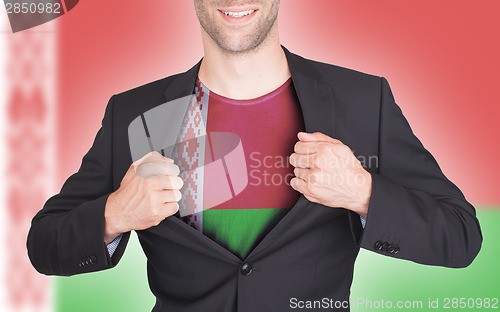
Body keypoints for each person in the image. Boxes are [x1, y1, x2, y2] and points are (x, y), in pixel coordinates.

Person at [27, 1, 482, 311]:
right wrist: (114, 214)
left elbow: (460, 236)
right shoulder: (135, 113)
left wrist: (363, 192)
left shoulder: (362, 101)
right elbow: (44, 245)